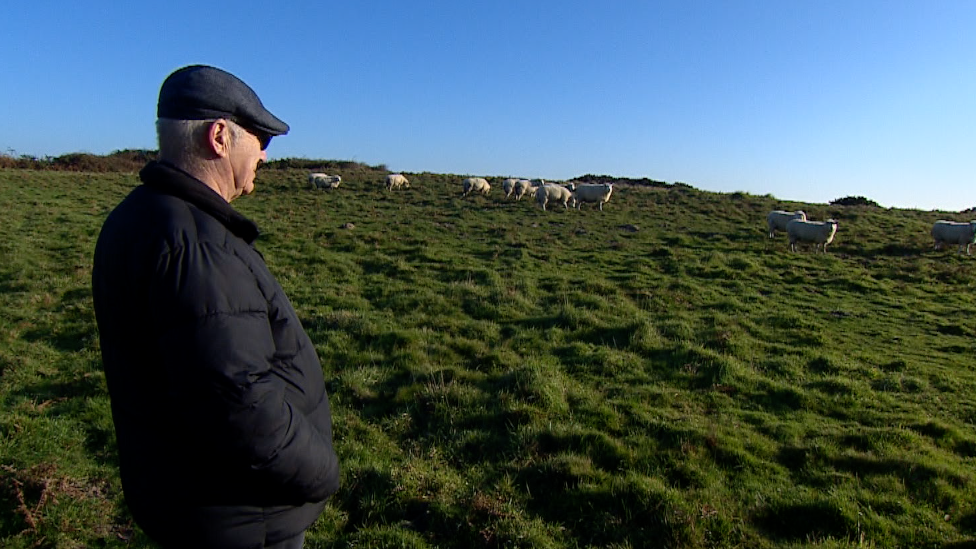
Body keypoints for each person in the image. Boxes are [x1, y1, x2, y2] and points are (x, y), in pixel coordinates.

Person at [92, 65, 340, 549]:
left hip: (185, 497)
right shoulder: (196, 247)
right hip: (244, 517)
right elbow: (240, 405)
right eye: (258, 138)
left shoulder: (134, 217)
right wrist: (323, 471)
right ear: (220, 136)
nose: (265, 153)